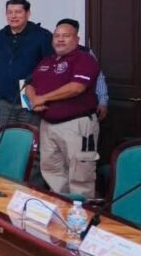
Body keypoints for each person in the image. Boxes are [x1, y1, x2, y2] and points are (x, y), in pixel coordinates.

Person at [26, 19, 101, 198]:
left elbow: (76, 87)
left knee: (80, 174)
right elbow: (29, 84)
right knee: (52, 171)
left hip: (76, 125)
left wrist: (43, 98)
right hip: (48, 126)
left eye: (66, 36)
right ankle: (61, 208)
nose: (60, 39)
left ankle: (81, 211)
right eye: (56, 36)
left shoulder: (84, 59)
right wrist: (33, 99)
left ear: (76, 39)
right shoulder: (46, 61)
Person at [0, 0, 53, 126]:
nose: (13, 16)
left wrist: (33, 84)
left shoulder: (42, 36)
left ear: (28, 13)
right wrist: (2, 74)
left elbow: (50, 65)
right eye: (9, 12)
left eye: (18, 12)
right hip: (6, 99)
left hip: (30, 97)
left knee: (29, 136)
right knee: (7, 136)